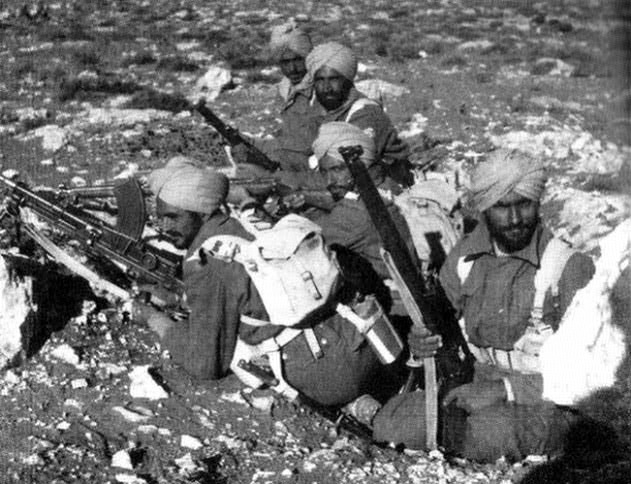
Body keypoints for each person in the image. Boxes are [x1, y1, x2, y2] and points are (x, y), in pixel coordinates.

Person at [371, 148, 596, 462]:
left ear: (538, 203)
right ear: (485, 209)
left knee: (489, 430)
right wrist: (420, 342)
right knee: (391, 421)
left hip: (542, 396)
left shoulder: (568, 266)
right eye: (503, 207)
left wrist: (504, 390)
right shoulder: (464, 258)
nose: (515, 219)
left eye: (524, 205)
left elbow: (591, 370)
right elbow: (436, 325)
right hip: (472, 382)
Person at [137, 157, 393, 408]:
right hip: (364, 347)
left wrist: (154, 319)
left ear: (202, 214)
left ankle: (353, 406)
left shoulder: (205, 260)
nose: (163, 225)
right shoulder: (247, 223)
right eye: (160, 217)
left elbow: (205, 363)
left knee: (237, 354)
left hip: (328, 376)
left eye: (173, 217)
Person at [305, 42, 414, 188]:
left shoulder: (365, 113)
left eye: (334, 79)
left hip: (383, 185)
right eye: (320, 80)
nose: (326, 88)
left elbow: (349, 173)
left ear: (347, 81)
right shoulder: (322, 109)